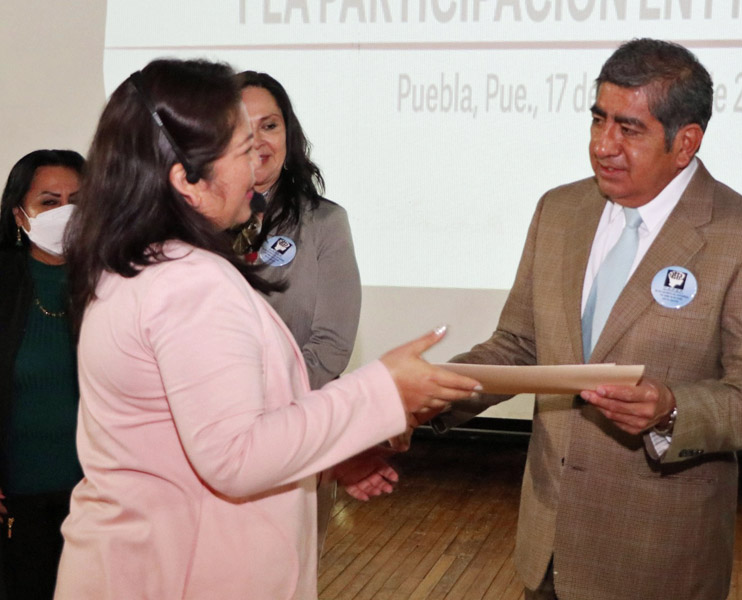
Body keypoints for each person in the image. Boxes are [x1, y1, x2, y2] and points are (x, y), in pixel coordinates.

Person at [54, 58, 480, 599]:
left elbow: (188, 438)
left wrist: (325, 459)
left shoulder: (136, 263)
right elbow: (234, 457)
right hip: (181, 574)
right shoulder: (189, 283)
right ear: (187, 179)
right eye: (239, 151)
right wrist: (383, 390)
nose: (256, 164)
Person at [427, 39, 742, 600]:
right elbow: (520, 346)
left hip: (658, 563)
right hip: (545, 551)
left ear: (686, 142)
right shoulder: (560, 210)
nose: (603, 146)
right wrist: (428, 396)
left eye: (630, 129)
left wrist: (672, 408)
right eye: (599, 120)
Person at [234, 71, 364, 554]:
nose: (258, 141)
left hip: (294, 434)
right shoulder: (190, 228)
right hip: (204, 438)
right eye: (242, 128)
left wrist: (263, 406)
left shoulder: (325, 223)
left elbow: (331, 345)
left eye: (269, 125)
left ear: (289, 133)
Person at [0, 149, 84, 600]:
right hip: (18, 505)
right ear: (19, 215)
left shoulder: (115, 283)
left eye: (78, 200)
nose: (66, 213)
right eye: (50, 201)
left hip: (100, 502)